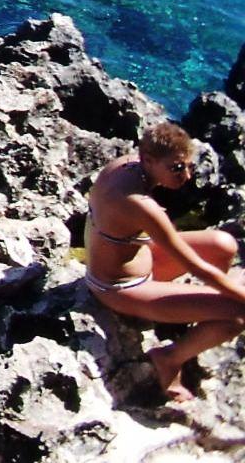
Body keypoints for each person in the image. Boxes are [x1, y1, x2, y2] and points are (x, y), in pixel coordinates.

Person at [83, 120, 245, 402]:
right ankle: (170, 358)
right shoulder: (141, 205)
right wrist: (237, 295)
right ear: (148, 159)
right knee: (237, 315)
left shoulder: (127, 165)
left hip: (138, 259)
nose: (186, 176)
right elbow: (195, 266)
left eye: (188, 165)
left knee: (224, 244)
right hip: (121, 287)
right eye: (176, 168)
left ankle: (198, 318)